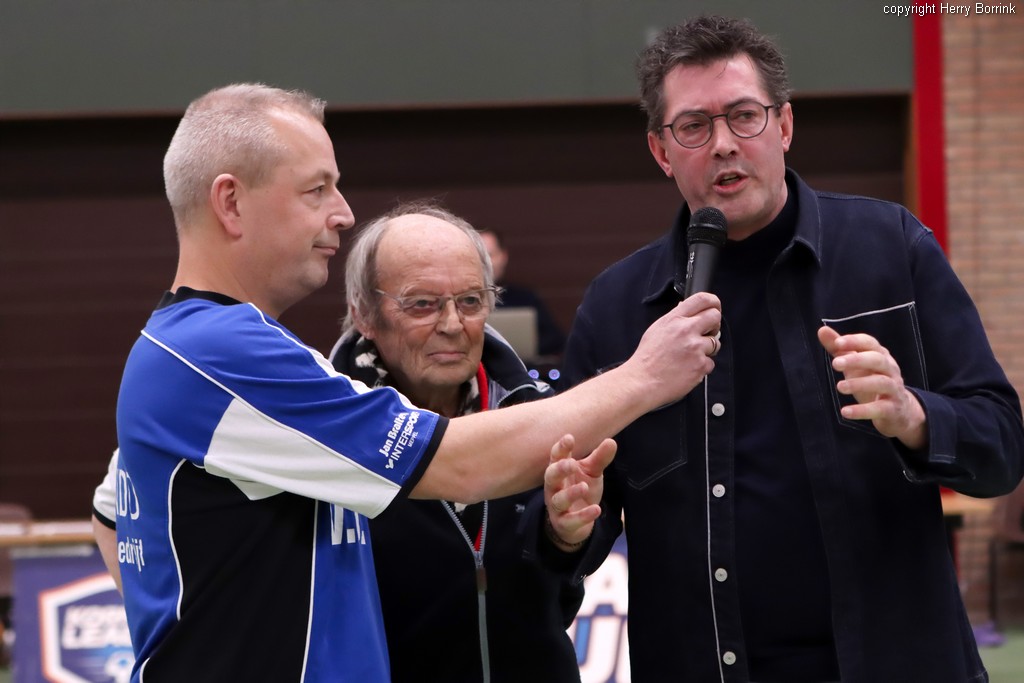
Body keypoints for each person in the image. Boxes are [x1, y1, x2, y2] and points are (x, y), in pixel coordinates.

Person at [97, 82, 722, 683]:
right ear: (231, 202)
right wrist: (645, 376)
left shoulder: (196, 353)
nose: (342, 213)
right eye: (316, 189)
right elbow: (461, 464)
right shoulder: (222, 353)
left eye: (471, 300)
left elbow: (110, 516)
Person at [556, 16, 1024, 683]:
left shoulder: (891, 250)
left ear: (784, 126)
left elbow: (1002, 448)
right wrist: (565, 527)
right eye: (693, 126)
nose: (723, 144)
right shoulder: (617, 309)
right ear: (661, 150)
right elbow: (578, 522)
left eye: (744, 116)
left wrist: (913, 415)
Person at [326, 200, 582, 682]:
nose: (451, 324)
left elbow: (560, 595)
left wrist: (565, 538)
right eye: (422, 304)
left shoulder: (534, 415)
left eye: (469, 301)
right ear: (364, 314)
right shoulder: (326, 435)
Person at [479, 228, 566, 357]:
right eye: (480, 258)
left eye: (490, 255)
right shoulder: (462, 299)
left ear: (503, 256)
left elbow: (555, 340)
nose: (486, 264)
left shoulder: (526, 298)